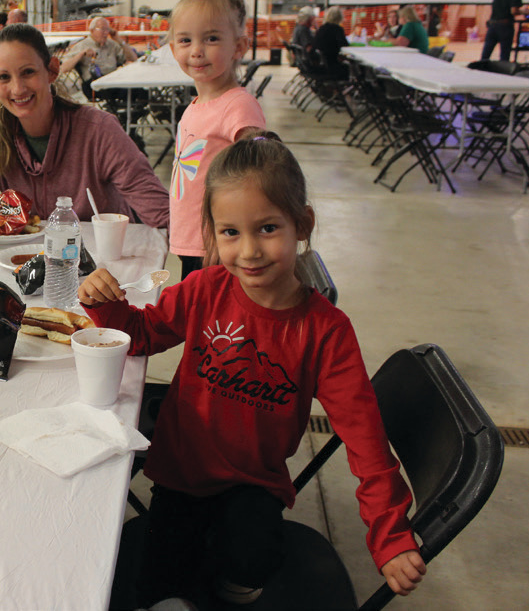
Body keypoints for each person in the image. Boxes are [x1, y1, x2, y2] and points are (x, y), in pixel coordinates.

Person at [78, 132, 426, 607]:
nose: (248, 252)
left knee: (253, 558)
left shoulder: (326, 331)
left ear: (302, 225)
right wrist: (106, 304)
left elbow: (365, 437)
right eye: (230, 232)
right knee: (156, 583)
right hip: (181, 473)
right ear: (212, 234)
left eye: (267, 228)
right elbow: (142, 335)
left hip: (255, 482)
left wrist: (390, 533)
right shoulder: (205, 288)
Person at [0, 24, 169, 234]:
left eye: (28, 72)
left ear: (52, 70)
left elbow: (157, 208)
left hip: (104, 262)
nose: (17, 89)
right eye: (5, 77)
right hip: (34, 264)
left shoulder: (99, 130)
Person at [165, 0, 266, 279]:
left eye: (211, 38)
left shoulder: (238, 105)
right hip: (194, 242)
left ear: (238, 46)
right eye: (185, 40)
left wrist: (233, 238)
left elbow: (261, 172)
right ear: (173, 49)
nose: (196, 50)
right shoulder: (196, 106)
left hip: (218, 249)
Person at [59, 16, 138, 100]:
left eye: (107, 30)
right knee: (132, 91)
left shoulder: (112, 45)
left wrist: (118, 39)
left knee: (140, 88)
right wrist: (81, 54)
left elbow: (133, 59)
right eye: (102, 29)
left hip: (113, 81)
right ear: (92, 30)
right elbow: (64, 68)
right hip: (95, 85)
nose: (105, 33)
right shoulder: (82, 46)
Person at [311, 5, 350, 78]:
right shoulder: (338, 29)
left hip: (321, 65)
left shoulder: (322, 29)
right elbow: (345, 46)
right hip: (332, 66)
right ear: (339, 17)